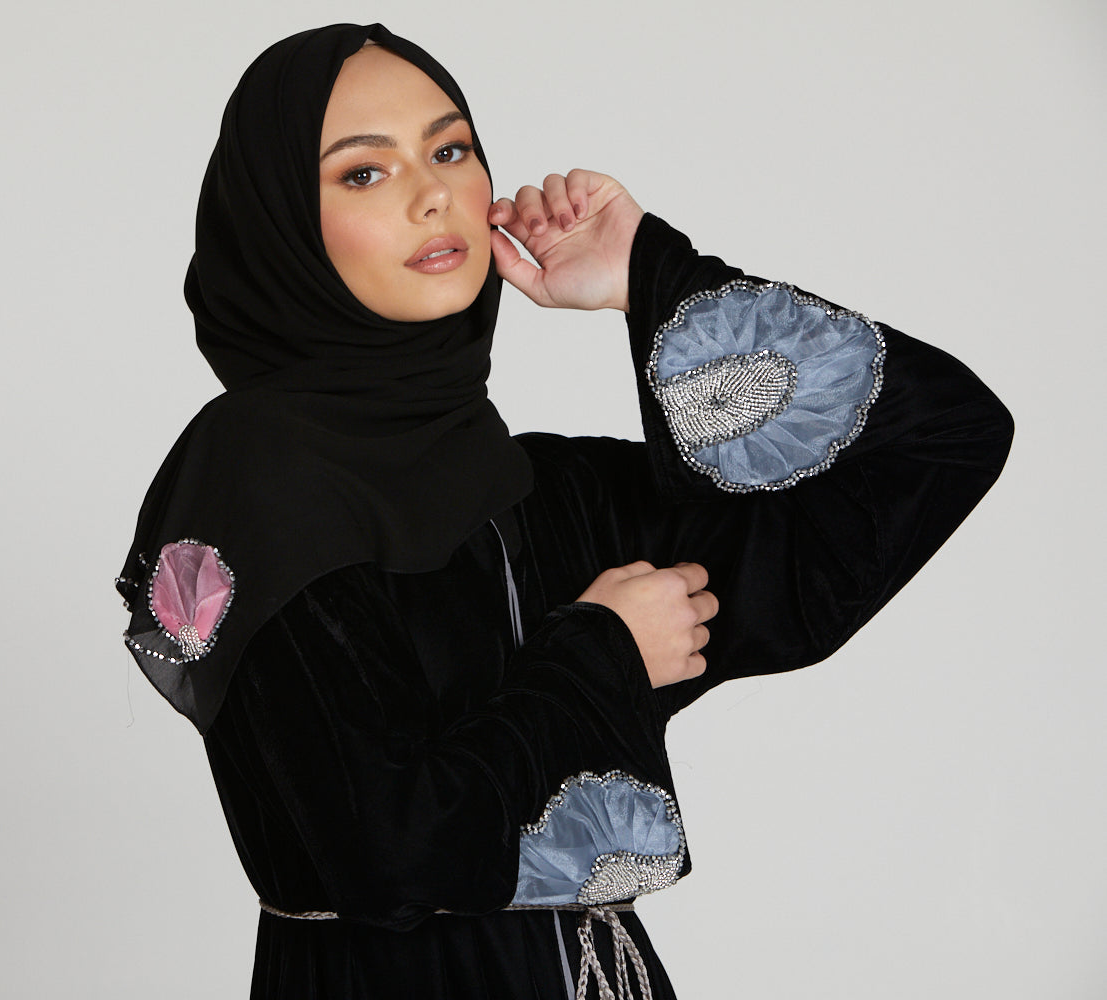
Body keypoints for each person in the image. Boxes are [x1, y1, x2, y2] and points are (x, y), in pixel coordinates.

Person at [116, 22, 1012, 1000]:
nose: (432, 194)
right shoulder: (252, 473)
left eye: (450, 151)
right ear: (283, 220)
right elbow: (385, 851)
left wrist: (650, 274)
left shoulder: (544, 494)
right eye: (363, 173)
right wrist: (604, 653)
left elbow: (945, 439)